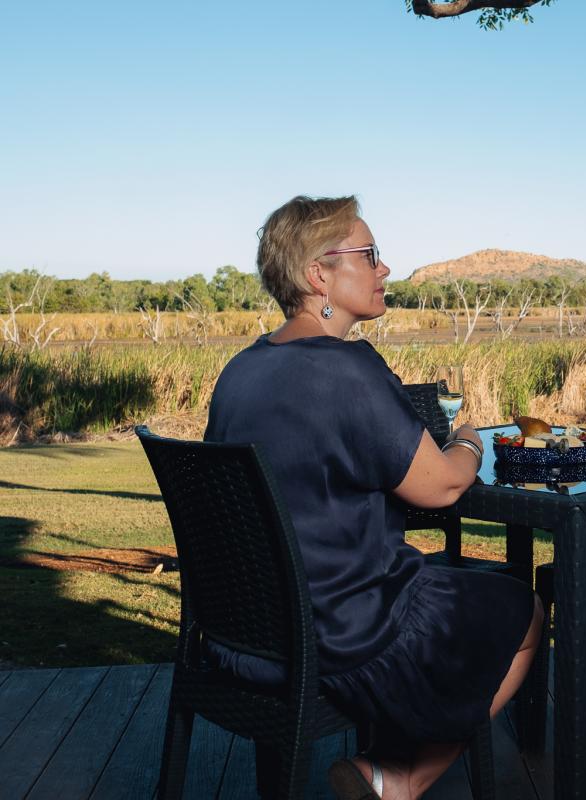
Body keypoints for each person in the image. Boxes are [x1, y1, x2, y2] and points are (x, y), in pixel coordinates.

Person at [204, 195, 542, 800]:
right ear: (319, 276)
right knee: (525, 609)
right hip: (348, 634)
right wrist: (469, 441)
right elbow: (439, 486)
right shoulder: (346, 369)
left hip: (246, 639)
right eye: (370, 254)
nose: (385, 268)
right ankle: (397, 779)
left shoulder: (239, 371)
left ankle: (388, 771)